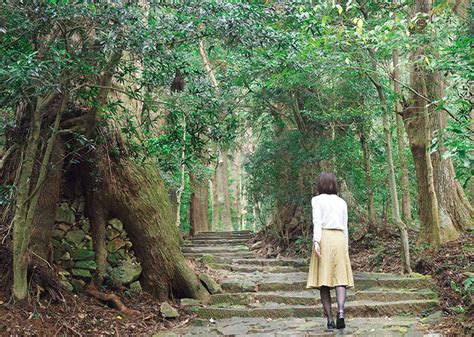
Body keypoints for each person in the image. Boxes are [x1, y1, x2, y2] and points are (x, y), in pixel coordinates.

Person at [306, 172, 354, 330]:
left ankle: (330, 320)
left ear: (320, 184)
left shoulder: (316, 200)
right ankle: (341, 311)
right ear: (334, 184)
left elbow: (317, 222)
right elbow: (345, 225)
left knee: (324, 281)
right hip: (339, 238)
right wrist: (346, 245)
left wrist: (316, 241)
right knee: (340, 278)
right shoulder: (342, 202)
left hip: (325, 237)